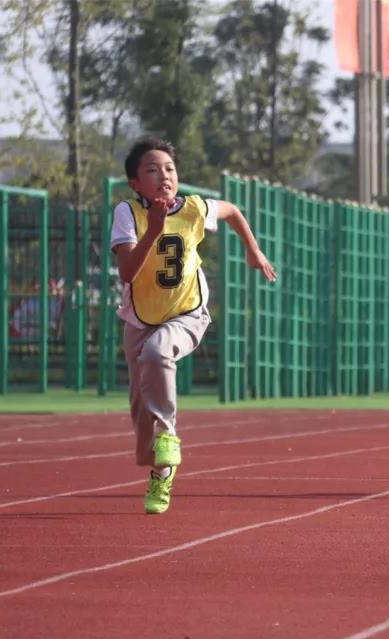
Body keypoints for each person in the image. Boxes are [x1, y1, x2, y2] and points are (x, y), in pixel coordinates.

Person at [111, 138, 277, 513]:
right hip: (140, 318)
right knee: (142, 431)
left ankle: (168, 444)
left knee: (158, 354)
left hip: (187, 313)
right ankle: (159, 468)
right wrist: (153, 230)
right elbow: (127, 272)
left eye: (169, 169)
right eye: (152, 170)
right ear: (136, 183)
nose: (164, 176)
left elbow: (232, 211)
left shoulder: (194, 208)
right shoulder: (127, 213)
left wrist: (253, 250)